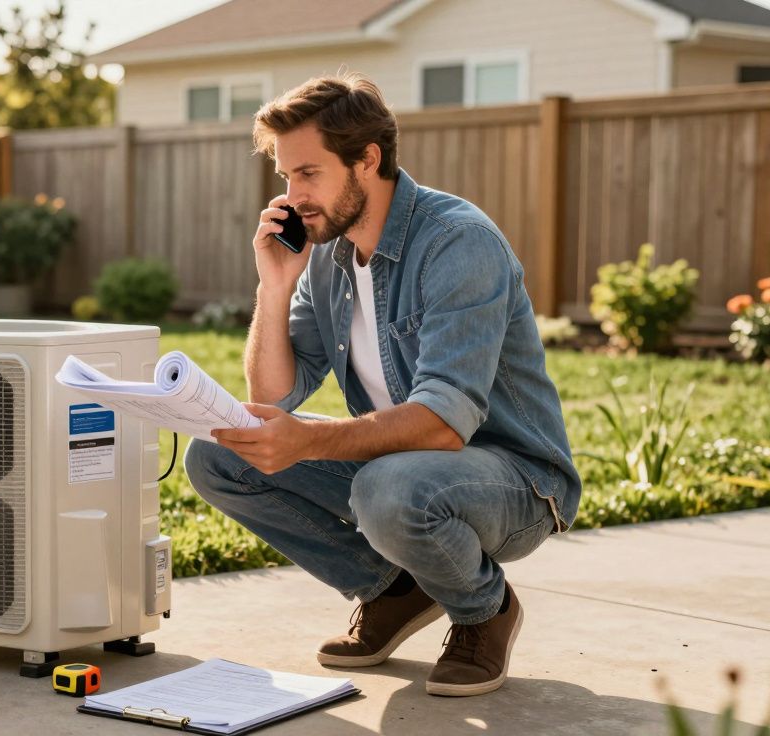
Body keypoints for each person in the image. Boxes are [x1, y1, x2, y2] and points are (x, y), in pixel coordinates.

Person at [183, 73, 580, 697]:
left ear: (367, 159)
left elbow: (444, 424)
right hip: (398, 470)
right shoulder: (328, 255)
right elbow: (275, 396)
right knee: (220, 452)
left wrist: (308, 444)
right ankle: (393, 590)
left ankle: (484, 610)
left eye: (308, 174)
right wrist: (274, 284)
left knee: (386, 488)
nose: (293, 196)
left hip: (516, 481)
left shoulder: (458, 242)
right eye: (286, 177)